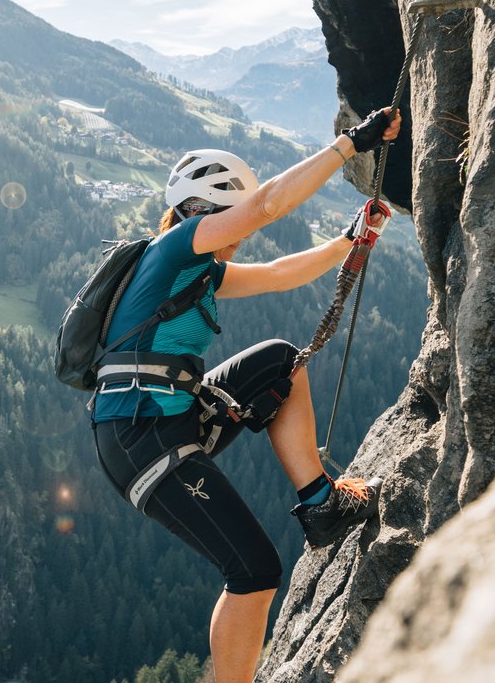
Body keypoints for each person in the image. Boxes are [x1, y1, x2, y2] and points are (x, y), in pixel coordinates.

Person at [91, 107, 401, 682]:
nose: (244, 229)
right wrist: (350, 144)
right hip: (142, 437)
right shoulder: (177, 248)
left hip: (168, 420)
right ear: (203, 211)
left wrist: (348, 242)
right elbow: (265, 205)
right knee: (254, 571)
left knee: (282, 361)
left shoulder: (195, 272)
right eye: (231, 215)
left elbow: (282, 273)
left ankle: (320, 505)